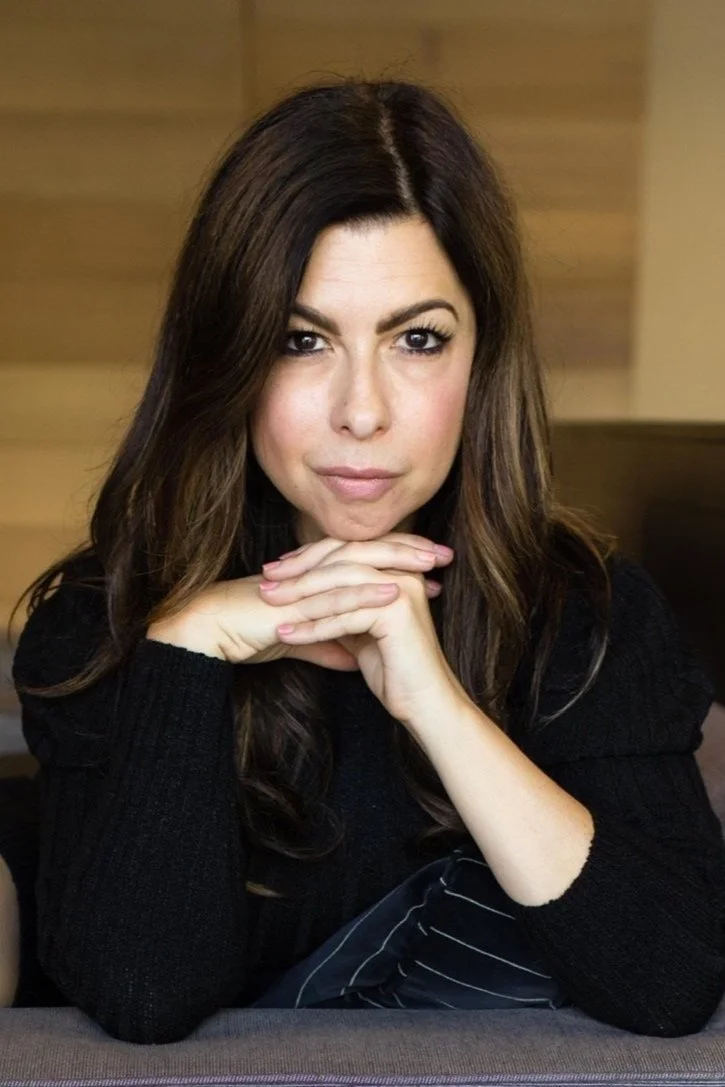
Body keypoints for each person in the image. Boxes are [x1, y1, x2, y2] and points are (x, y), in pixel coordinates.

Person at [2, 76, 724, 1045]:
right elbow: (142, 994)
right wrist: (186, 647)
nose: (361, 409)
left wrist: (437, 706)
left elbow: (674, 977)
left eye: (416, 339)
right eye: (302, 340)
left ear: (481, 358)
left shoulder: (585, 618)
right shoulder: (106, 618)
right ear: (232, 354)